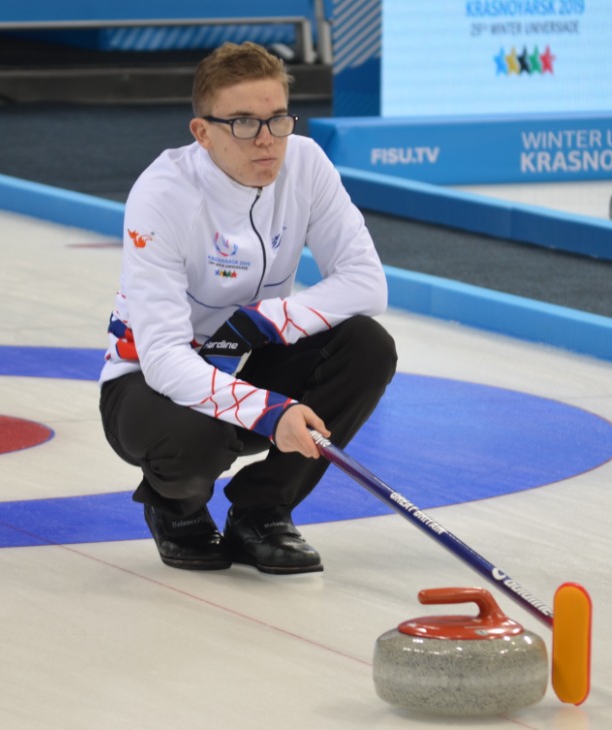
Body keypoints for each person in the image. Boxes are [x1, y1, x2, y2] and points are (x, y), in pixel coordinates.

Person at [99, 41, 396, 575]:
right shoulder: (162, 195)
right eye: (242, 123)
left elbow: (366, 283)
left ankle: (262, 511)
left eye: (278, 119)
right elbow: (163, 358)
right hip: (149, 385)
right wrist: (269, 412)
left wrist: (260, 321)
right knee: (200, 435)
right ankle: (176, 509)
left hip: (251, 357)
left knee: (366, 345)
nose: (266, 140)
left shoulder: (305, 162)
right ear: (202, 132)